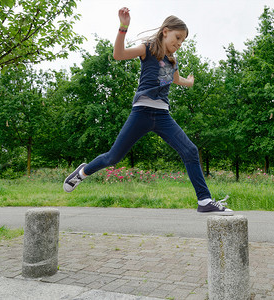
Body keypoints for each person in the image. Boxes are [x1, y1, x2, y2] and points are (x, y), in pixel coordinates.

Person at [64, 7, 233, 215]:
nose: (179, 44)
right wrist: (123, 27)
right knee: (113, 158)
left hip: (163, 116)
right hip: (142, 112)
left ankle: (204, 200)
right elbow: (119, 54)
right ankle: (82, 172)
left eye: (182, 42)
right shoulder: (148, 49)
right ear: (165, 31)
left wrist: (189, 82)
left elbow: (176, 79)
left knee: (190, 150)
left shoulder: (173, 60)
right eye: (177, 37)